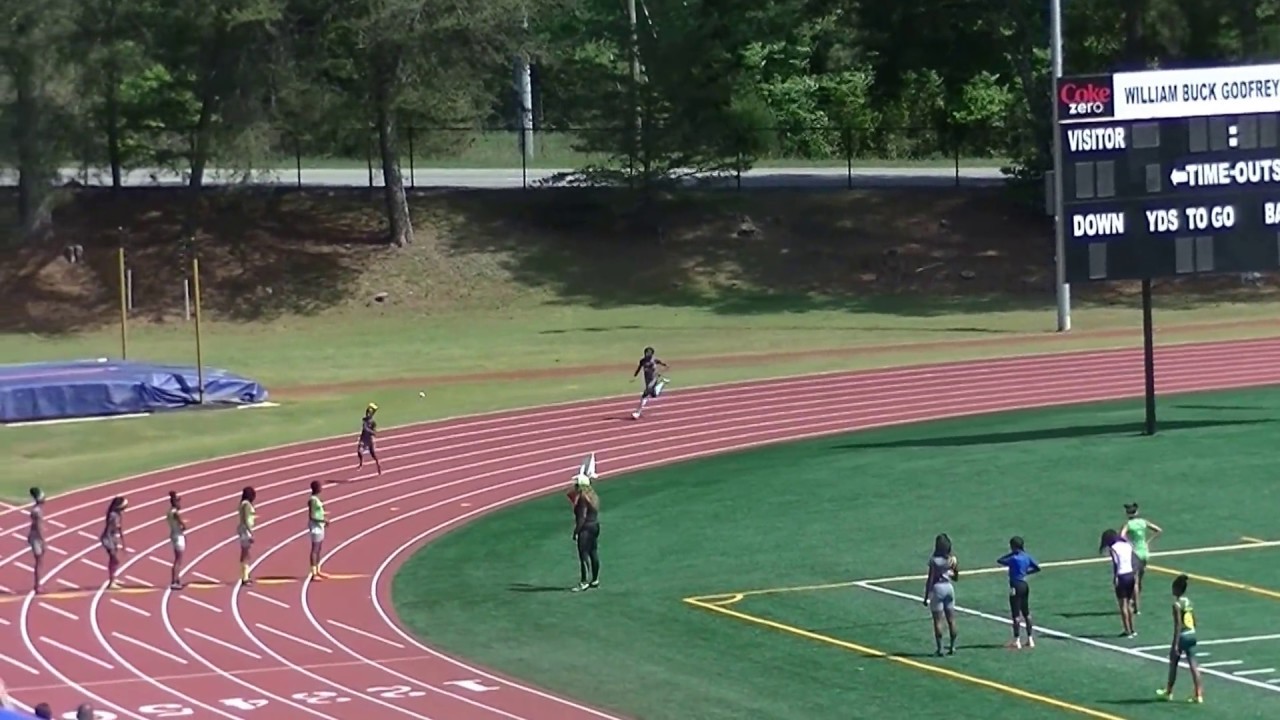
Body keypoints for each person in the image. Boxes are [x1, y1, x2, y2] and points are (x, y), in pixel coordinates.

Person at [1156, 573, 1204, 703]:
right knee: (1193, 664)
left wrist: (1175, 644)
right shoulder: (1189, 602)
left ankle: (1169, 691)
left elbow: (1177, 625)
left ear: (1176, 589)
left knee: (1174, 664)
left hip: (1182, 635)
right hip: (1192, 633)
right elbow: (1194, 619)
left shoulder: (1176, 605)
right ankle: (1198, 694)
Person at [996, 536, 1040, 649]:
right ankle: (1030, 639)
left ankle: (1017, 640)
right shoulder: (1026, 557)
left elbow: (1000, 560)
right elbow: (1037, 568)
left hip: (1015, 585)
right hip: (1024, 584)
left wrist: (1011, 554)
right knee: (1026, 612)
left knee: (1016, 614)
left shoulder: (1013, 558)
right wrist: (1026, 573)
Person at [1120, 502, 1162, 614]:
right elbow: (1158, 530)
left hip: (1135, 554)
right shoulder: (1143, 522)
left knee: (1135, 582)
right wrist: (1148, 541)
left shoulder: (1128, 525)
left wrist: (1129, 544)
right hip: (1145, 552)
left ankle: (1136, 607)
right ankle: (1135, 602)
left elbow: (1122, 536)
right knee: (1140, 579)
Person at [921, 533, 959, 656]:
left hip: (938, 588)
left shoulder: (934, 561)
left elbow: (930, 579)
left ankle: (940, 648)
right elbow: (956, 577)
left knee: (937, 621)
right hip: (949, 588)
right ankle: (952, 647)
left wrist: (927, 596)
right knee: (951, 619)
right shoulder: (951, 559)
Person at [1100, 528, 1138, 638]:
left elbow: (1116, 564)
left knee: (1123, 605)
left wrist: (1115, 577)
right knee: (1130, 603)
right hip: (1130, 574)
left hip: (1121, 576)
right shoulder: (1127, 545)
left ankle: (1127, 630)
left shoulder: (1113, 549)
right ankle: (1133, 629)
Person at [571, 472, 601, 592]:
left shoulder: (583, 498)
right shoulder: (593, 496)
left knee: (583, 555)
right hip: (595, 526)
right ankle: (595, 579)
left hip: (585, 529)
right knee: (593, 552)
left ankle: (584, 581)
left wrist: (576, 531)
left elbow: (582, 517)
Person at [630, 347, 670, 420]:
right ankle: (663, 382)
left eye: (648, 353)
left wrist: (664, 367)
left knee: (645, 393)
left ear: (652, 354)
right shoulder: (642, 361)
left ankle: (637, 412)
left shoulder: (654, 360)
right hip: (647, 380)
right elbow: (639, 368)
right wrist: (634, 377)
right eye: (646, 353)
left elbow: (662, 364)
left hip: (653, 379)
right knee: (654, 395)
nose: (647, 354)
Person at [100, 497, 128, 589]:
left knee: (115, 561)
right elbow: (111, 528)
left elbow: (118, 527)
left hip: (112, 538)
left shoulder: (118, 514)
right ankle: (111, 582)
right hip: (108, 539)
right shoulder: (113, 515)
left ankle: (113, 578)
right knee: (114, 560)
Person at [307, 480, 331, 581]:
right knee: (315, 549)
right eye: (320, 486)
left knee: (319, 549)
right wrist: (323, 520)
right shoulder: (312, 500)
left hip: (320, 525)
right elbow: (312, 516)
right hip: (315, 526)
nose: (322, 488)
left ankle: (318, 570)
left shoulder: (316, 499)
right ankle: (313, 573)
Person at [237, 487, 257, 586]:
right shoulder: (246, 505)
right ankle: (245, 577)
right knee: (246, 554)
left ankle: (245, 575)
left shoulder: (243, 504)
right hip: (245, 531)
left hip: (244, 530)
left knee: (246, 554)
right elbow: (245, 519)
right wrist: (250, 532)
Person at [167, 491, 188, 590]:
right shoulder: (175, 513)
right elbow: (183, 524)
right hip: (178, 535)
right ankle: (174, 581)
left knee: (177, 559)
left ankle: (176, 579)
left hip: (174, 534)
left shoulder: (169, 512)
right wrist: (184, 525)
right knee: (178, 560)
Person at [27, 487, 45, 594]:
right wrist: (43, 541)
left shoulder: (36, 510)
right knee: (39, 561)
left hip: (34, 537)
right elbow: (39, 527)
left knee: (39, 561)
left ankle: (38, 584)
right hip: (36, 538)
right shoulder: (37, 512)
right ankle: (37, 585)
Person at [357, 403, 383, 474]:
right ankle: (361, 463)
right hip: (363, 439)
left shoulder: (373, 423)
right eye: (367, 412)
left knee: (373, 454)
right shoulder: (365, 420)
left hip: (370, 439)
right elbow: (365, 426)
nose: (368, 414)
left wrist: (370, 431)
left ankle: (378, 464)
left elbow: (374, 431)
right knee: (359, 451)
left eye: (369, 413)